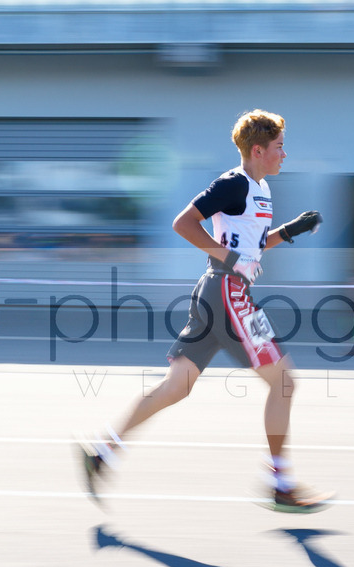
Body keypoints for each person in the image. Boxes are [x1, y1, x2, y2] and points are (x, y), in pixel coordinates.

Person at [77, 109, 331, 513]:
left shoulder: (260, 190)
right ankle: (280, 483)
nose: (285, 154)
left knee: (174, 388)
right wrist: (228, 260)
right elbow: (184, 223)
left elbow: (252, 249)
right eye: (279, 147)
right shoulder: (234, 183)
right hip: (227, 292)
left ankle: (102, 452)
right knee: (284, 382)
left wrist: (291, 230)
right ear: (258, 149)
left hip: (216, 292)